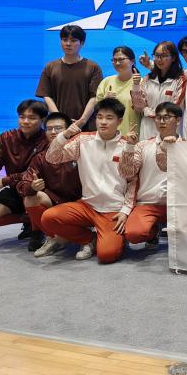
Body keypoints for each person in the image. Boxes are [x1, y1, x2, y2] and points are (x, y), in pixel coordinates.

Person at [39, 98, 141, 263]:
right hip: (87, 205)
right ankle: (88, 239)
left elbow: (132, 180)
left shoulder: (128, 145)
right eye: (99, 117)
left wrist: (125, 210)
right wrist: (64, 135)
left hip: (113, 210)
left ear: (120, 121)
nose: (103, 122)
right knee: (48, 218)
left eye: (109, 118)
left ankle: (115, 237)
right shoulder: (83, 140)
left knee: (107, 255)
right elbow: (52, 158)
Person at [0, 99, 49, 236]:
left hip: (40, 190)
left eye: (32, 118)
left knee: (33, 196)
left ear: (43, 120)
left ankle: (39, 229)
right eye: (22, 117)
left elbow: (36, 172)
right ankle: (30, 221)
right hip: (16, 190)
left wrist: (5, 180)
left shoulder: (47, 141)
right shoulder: (6, 137)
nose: (25, 121)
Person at [16, 112, 83, 255]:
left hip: (82, 204)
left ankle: (81, 236)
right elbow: (23, 184)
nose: (53, 132)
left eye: (58, 128)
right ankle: (56, 237)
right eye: (49, 129)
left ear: (69, 129)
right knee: (31, 197)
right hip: (56, 203)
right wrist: (32, 186)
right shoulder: (40, 158)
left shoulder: (83, 151)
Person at [119, 102, 182, 248]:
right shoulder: (143, 146)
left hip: (179, 205)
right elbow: (127, 173)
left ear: (178, 120)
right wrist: (129, 146)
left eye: (166, 117)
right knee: (134, 234)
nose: (161, 121)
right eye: (158, 118)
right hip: (148, 203)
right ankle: (153, 232)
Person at [35, 24, 103, 130]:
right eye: (64, 40)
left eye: (73, 40)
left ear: (82, 43)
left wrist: (82, 121)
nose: (68, 44)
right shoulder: (50, 67)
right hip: (57, 128)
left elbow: (95, 97)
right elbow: (46, 95)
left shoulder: (93, 67)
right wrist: (60, 119)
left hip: (87, 126)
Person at [132, 41, 186, 141]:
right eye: (157, 55)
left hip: (169, 127)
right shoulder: (148, 78)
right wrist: (135, 85)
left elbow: (176, 108)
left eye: (164, 56)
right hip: (147, 127)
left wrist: (147, 111)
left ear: (173, 58)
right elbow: (139, 106)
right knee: (146, 150)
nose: (159, 59)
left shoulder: (180, 79)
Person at [96, 46, 141, 137]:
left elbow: (142, 109)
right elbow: (97, 110)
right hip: (109, 135)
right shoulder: (106, 82)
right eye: (114, 60)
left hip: (133, 134)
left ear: (132, 61)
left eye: (121, 59)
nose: (117, 63)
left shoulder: (141, 83)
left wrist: (136, 86)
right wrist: (105, 101)